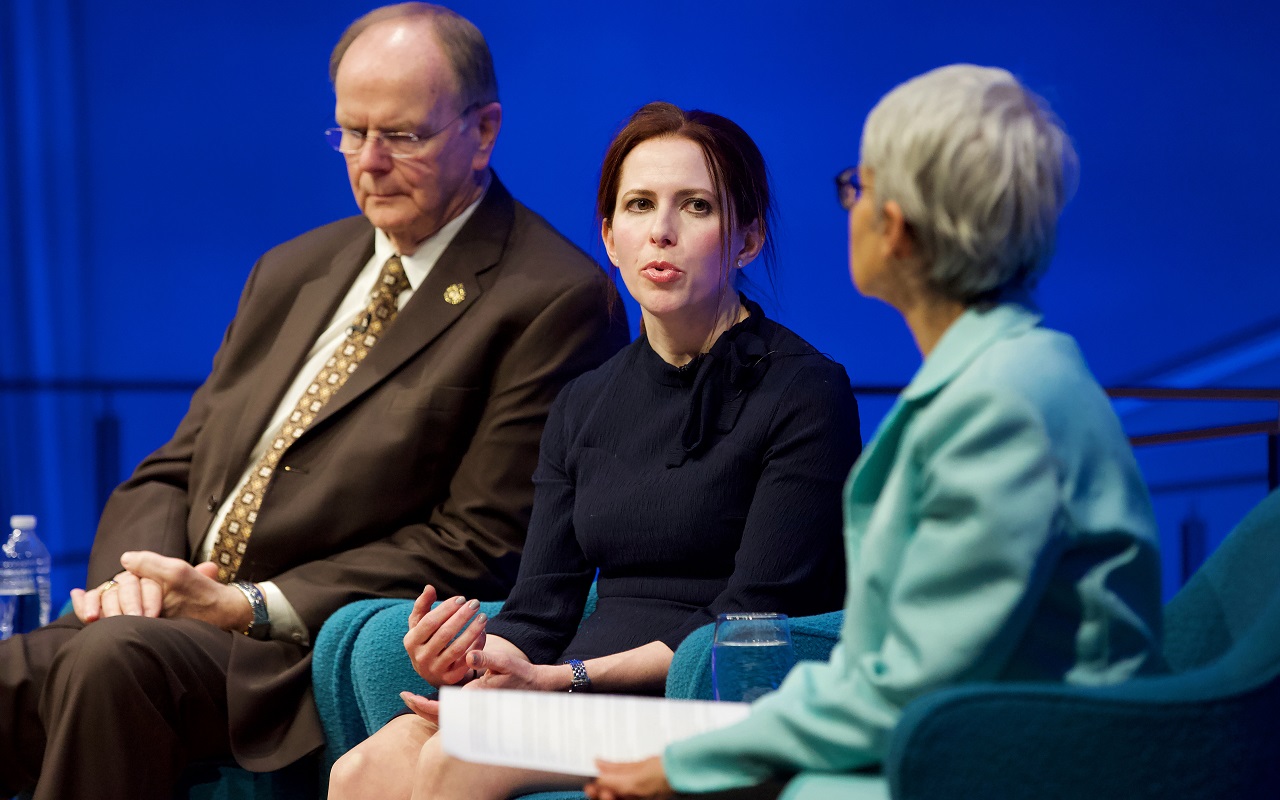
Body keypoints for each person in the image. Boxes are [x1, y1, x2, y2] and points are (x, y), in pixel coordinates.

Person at [0, 4, 627, 799]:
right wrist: (140, 582)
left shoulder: (552, 298)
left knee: (110, 665)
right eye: (349, 133)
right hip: (165, 620)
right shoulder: (293, 268)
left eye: (402, 135)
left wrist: (247, 604)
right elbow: (174, 467)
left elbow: (481, 542)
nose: (369, 162)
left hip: (292, 647)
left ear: (485, 130)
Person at [585, 64, 1166, 800]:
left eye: (856, 185)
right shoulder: (1005, 374)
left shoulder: (1002, 405)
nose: (848, 205)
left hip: (1031, 760)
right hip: (975, 737)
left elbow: (911, 682)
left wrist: (688, 762)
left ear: (893, 225)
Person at [327, 101, 862, 800]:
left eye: (696, 206)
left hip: (704, 703)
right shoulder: (585, 401)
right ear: (610, 237)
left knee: (455, 760)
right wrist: (476, 656)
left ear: (748, 236)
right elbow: (541, 606)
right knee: (365, 767)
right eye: (638, 206)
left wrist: (560, 681)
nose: (661, 232)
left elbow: (747, 618)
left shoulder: (806, 391)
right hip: (575, 696)